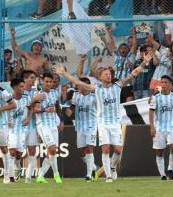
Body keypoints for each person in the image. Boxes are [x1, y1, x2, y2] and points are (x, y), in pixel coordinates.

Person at [54, 51, 153, 182]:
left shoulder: (118, 85)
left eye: (110, 74)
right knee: (105, 149)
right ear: (100, 77)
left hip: (115, 122)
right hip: (102, 123)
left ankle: (112, 166)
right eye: (106, 74)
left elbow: (133, 73)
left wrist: (144, 62)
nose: (109, 75)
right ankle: (108, 176)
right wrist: (64, 73)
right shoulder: (96, 88)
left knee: (118, 150)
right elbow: (77, 82)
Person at [149, 75, 173, 180]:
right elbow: (151, 112)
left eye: (166, 82)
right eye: (162, 82)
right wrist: (152, 126)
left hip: (171, 127)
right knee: (159, 152)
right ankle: (162, 175)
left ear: (171, 85)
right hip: (159, 128)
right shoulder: (155, 98)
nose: (163, 84)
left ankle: (170, 169)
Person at [66, 77, 98, 182]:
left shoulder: (94, 97)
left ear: (87, 87)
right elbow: (72, 106)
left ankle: (89, 175)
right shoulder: (76, 95)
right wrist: (69, 111)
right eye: (79, 85)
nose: (79, 86)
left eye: (81, 85)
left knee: (89, 149)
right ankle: (93, 167)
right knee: (81, 152)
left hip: (91, 125)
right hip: (80, 126)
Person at [33, 73, 63, 183]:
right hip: (43, 125)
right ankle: (56, 175)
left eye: (50, 82)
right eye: (47, 82)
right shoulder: (38, 94)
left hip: (53, 125)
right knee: (52, 149)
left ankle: (40, 176)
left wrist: (61, 120)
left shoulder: (55, 93)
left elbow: (57, 107)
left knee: (51, 152)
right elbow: (35, 109)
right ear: (42, 82)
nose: (49, 84)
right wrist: (45, 110)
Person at [21, 70, 44, 183]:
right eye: (31, 77)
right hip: (20, 126)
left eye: (34, 77)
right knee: (17, 152)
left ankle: (28, 176)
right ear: (25, 79)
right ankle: (16, 170)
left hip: (33, 126)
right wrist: (34, 100)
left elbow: (36, 108)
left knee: (32, 150)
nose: (33, 79)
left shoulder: (36, 92)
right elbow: (22, 106)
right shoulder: (19, 91)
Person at [7, 78, 31, 182]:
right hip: (11, 130)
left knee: (19, 153)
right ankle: (11, 177)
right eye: (21, 86)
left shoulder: (26, 97)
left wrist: (28, 118)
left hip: (22, 129)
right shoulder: (8, 98)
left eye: (23, 86)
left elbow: (31, 108)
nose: (23, 88)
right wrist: (7, 120)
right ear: (14, 88)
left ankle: (18, 163)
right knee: (12, 152)